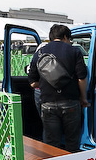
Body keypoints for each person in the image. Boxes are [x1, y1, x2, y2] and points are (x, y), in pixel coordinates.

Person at [28, 24, 89, 152]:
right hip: (70, 102)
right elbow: (82, 78)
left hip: (47, 103)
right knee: (72, 142)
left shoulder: (40, 53)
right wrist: (83, 98)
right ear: (65, 37)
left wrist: (47, 83)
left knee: (51, 143)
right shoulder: (74, 51)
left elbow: (33, 83)